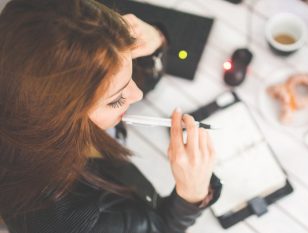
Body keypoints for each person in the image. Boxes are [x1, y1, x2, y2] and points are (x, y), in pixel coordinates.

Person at [0, 0, 221, 232]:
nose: (137, 94)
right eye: (115, 99)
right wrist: (192, 196)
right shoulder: (73, 222)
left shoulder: (43, 54)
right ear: (60, 118)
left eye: (130, 67)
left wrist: (156, 38)